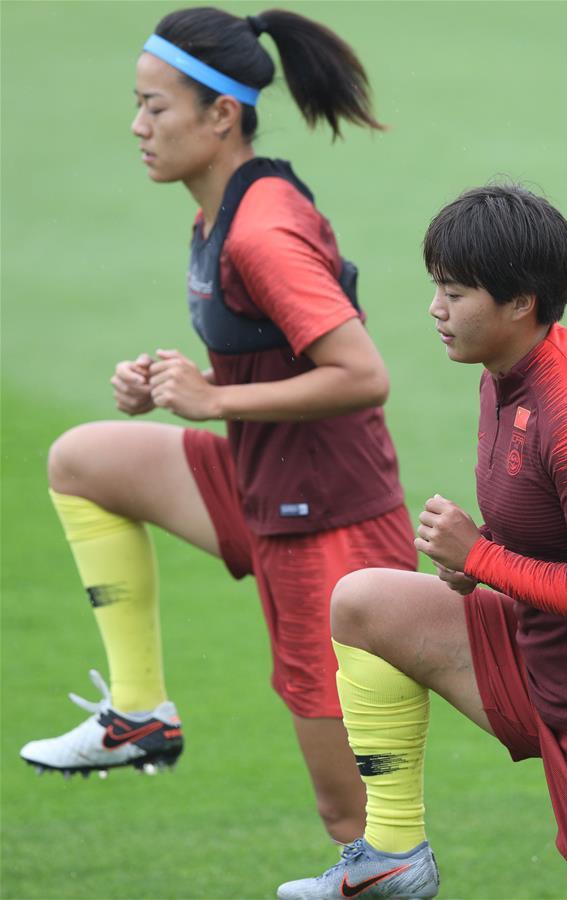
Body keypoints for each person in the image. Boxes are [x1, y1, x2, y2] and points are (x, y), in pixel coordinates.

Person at [19, 6, 417, 845]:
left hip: (330, 527)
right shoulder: (218, 210)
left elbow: (362, 376)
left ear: (221, 115)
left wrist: (214, 403)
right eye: (138, 105)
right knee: (84, 460)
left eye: (155, 107)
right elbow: (255, 358)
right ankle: (137, 714)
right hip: (264, 485)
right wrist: (166, 385)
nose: (138, 126)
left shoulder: (262, 231)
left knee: (353, 818)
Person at [277, 184, 567, 899]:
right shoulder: (506, 374)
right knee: (365, 603)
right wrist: (481, 554)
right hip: (541, 667)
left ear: (520, 303)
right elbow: (548, 530)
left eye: (455, 293)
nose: (435, 308)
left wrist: (479, 557)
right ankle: (390, 855)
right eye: (436, 287)